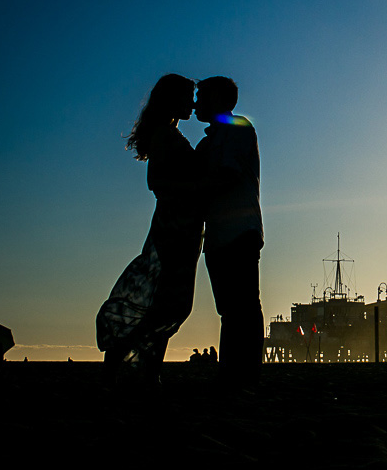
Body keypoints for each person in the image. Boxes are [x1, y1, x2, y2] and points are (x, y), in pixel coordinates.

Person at [96, 74, 202, 385]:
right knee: (170, 302)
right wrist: (198, 188)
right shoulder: (164, 135)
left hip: (184, 226)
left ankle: (144, 369)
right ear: (173, 100)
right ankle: (127, 359)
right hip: (175, 226)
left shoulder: (169, 133)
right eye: (188, 97)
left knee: (169, 302)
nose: (193, 104)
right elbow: (156, 182)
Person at [194, 76, 264, 388]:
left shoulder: (237, 129)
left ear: (221, 101)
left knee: (243, 306)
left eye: (202, 97)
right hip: (221, 233)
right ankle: (235, 372)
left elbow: (227, 175)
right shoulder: (209, 142)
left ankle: (243, 373)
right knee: (231, 308)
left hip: (238, 231)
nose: (196, 103)